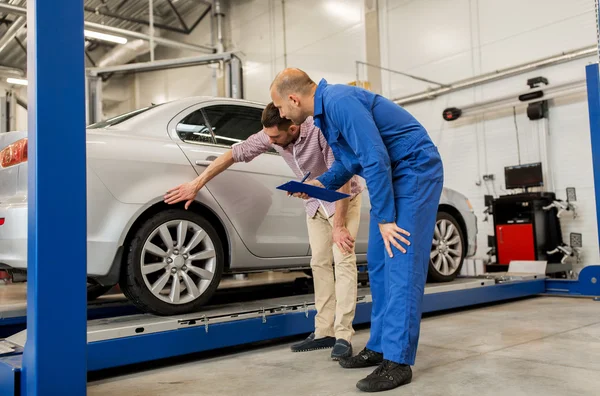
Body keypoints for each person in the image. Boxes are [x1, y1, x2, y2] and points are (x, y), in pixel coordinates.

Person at [270, 68, 444, 392]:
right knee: (378, 265)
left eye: (280, 108)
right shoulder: (325, 115)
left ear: (293, 99)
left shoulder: (338, 100)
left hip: (414, 170)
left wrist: (386, 219)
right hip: (392, 174)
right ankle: (379, 345)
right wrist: (318, 184)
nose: (281, 114)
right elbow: (350, 163)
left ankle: (398, 360)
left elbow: (375, 158)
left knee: (400, 263)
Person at [164, 102, 364, 360]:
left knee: (343, 261)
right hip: (315, 201)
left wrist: (339, 226)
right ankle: (324, 331)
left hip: (343, 199)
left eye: (275, 137)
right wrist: (196, 184)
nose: (270, 141)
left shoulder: (320, 131)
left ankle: (344, 335)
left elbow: (344, 177)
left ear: (292, 129)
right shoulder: (274, 135)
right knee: (319, 264)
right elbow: (235, 153)